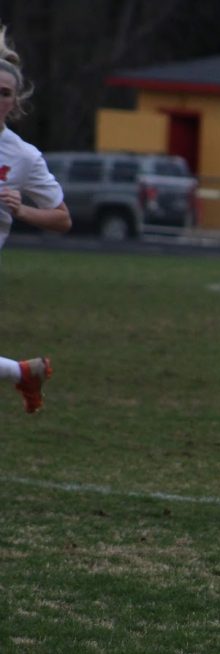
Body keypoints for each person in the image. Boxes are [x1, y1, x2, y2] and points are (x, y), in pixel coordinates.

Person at [0, 25, 71, 413]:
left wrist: (22, 209)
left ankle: (23, 373)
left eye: (4, 94)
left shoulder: (22, 156)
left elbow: (63, 219)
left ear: (14, 102)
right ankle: (24, 372)